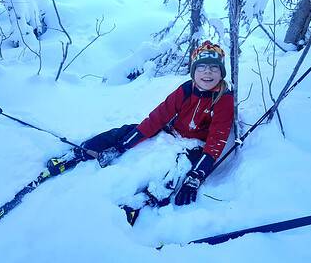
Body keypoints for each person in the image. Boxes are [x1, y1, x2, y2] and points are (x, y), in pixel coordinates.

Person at [47, 41, 234, 212]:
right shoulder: (186, 89)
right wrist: (125, 144)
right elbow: (159, 117)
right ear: (193, 72)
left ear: (221, 73)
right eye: (201, 67)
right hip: (172, 132)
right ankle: (82, 151)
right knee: (125, 130)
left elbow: (216, 141)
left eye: (214, 68)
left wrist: (196, 176)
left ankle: (148, 199)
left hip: (195, 145)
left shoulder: (224, 99)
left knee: (180, 167)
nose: (207, 72)